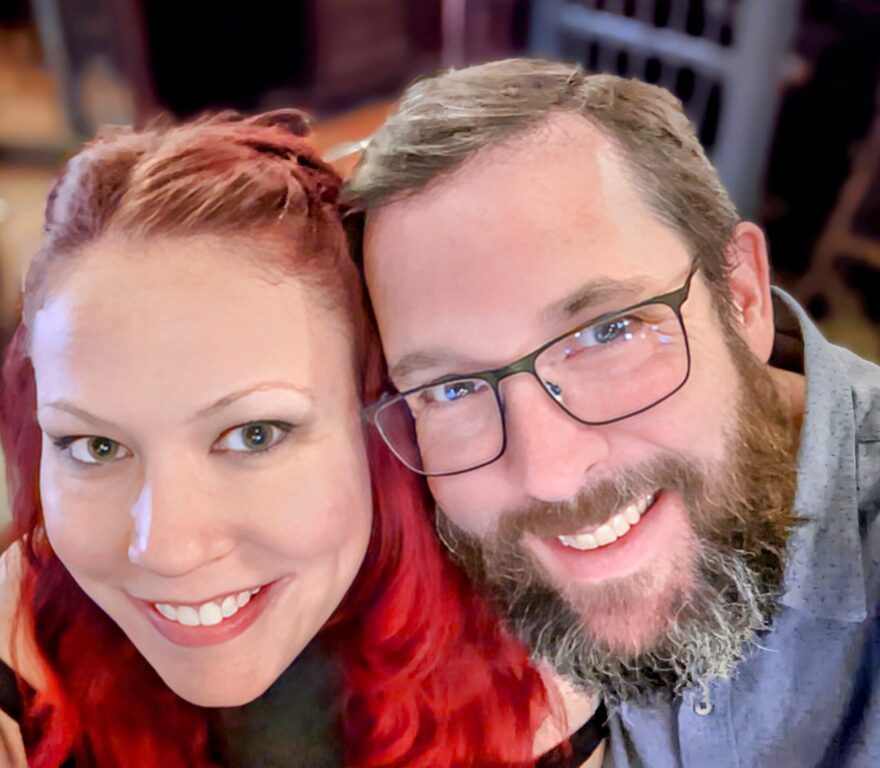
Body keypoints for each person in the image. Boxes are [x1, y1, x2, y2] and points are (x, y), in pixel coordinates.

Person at [0, 111, 605, 767]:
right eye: (95, 446)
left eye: (255, 434)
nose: (165, 548)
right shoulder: (33, 644)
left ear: (387, 426)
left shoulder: (541, 671)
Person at [343, 58, 880, 767]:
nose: (551, 475)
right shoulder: (415, 504)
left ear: (742, 294)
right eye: (452, 388)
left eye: (608, 333)